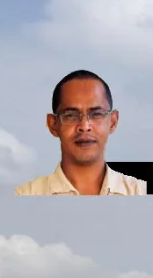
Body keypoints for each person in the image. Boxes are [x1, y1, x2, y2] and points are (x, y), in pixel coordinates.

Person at [15, 70, 146, 196]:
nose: (84, 126)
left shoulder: (140, 192)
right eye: (71, 115)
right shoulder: (24, 195)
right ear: (53, 124)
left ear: (112, 122)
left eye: (96, 114)